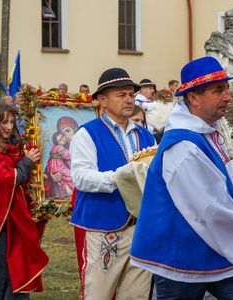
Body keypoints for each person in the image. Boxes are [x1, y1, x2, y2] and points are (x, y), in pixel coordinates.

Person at [130, 56, 233, 299]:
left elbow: (224, 180)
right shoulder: (184, 146)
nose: (228, 96)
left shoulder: (204, 131)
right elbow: (211, 208)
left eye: (227, 88)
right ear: (193, 97)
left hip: (209, 245)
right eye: (218, 90)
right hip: (178, 255)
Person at [70, 67, 154, 300]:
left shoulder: (145, 135)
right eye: (121, 95)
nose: (129, 99)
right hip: (104, 227)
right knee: (97, 294)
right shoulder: (87, 134)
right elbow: (81, 177)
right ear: (102, 100)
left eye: (131, 94)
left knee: (136, 295)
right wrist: (120, 177)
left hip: (141, 228)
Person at [0, 102, 49, 299]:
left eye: (12, 122)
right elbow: (7, 179)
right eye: (3, 122)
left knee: (17, 273)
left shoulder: (11, 147)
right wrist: (27, 162)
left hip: (15, 224)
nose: (8, 127)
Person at [45, 131, 75, 198]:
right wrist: (50, 174)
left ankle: (69, 191)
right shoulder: (61, 148)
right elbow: (69, 155)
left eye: (63, 137)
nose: (64, 138)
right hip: (59, 168)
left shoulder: (55, 148)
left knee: (65, 180)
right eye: (61, 138)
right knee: (70, 176)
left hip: (55, 168)